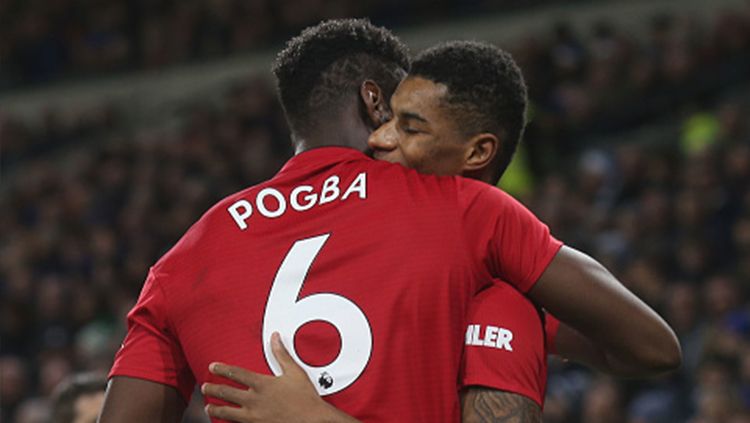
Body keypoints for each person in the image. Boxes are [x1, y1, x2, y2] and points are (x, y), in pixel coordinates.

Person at [99, 20, 680, 423]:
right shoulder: (462, 208)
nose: (389, 134)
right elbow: (652, 347)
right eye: (398, 112)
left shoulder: (183, 258)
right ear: (376, 102)